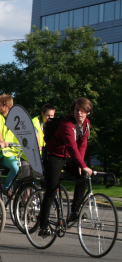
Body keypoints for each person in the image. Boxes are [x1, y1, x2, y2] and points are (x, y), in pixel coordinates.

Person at [38, 97, 93, 236]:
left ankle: (75, 211)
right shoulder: (67, 125)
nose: (79, 113)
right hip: (54, 155)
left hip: (68, 157)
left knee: (82, 177)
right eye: (77, 109)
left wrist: (81, 165)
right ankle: (43, 224)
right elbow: (72, 146)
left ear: (88, 112)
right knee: (52, 189)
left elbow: (82, 144)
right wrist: (82, 164)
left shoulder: (86, 124)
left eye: (82, 110)